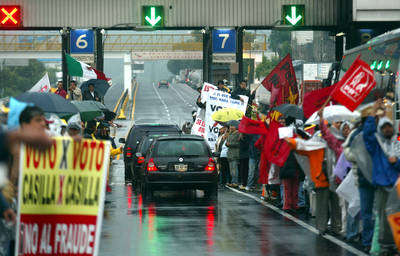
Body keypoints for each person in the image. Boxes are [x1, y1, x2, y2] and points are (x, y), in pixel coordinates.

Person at [363, 99, 400, 255]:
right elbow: (367, 134)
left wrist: (396, 161)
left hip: (397, 186)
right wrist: (372, 114)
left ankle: (396, 243)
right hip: (382, 186)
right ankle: (385, 245)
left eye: (388, 126)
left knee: (396, 216)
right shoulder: (376, 145)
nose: (386, 129)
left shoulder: (396, 145)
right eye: (383, 127)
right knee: (384, 217)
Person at [226, 121, 240, 187]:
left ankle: (235, 182)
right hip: (229, 154)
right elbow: (227, 142)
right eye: (230, 126)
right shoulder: (230, 133)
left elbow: (239, 144)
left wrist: (230, 144)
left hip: (235, 154)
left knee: (234, 169)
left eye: (232, 126)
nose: (231, 127)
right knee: (231, 169)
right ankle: (232, 181)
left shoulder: (238, 133)